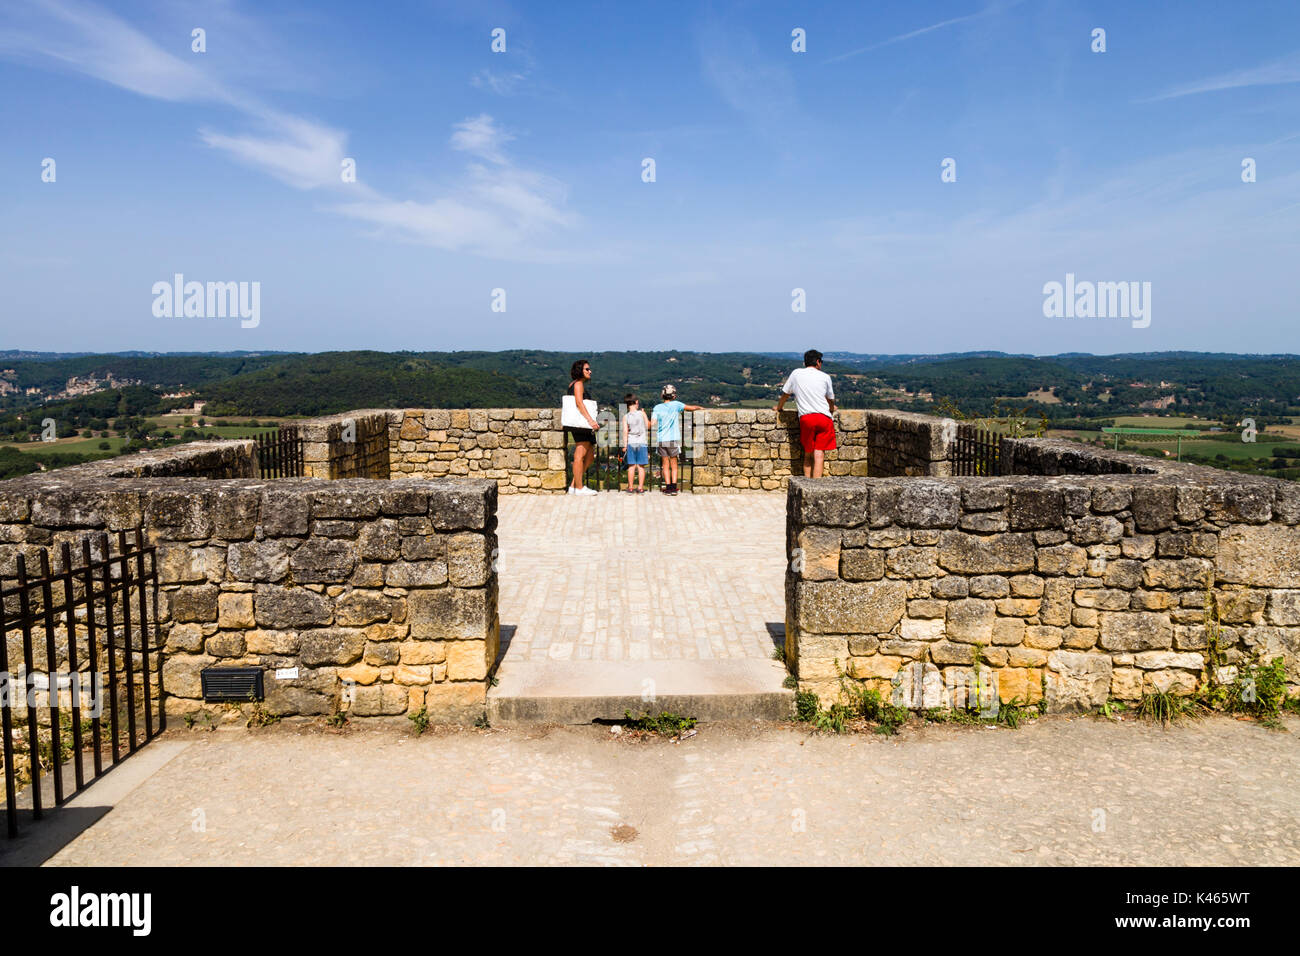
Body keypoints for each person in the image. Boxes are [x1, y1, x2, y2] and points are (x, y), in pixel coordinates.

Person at [774, 349, 837, 478]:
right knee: (819, 454)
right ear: (818, 362)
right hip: (824, 418)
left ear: (805, 362)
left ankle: (807, 486)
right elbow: (830, 399)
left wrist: (779, 407)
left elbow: (786, 394)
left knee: (808, 454)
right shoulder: (825, 377)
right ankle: (817, 487)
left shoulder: (796, 374)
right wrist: (831, 408)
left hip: (807, 418)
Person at [650, 384, 702, 496]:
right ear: (674, 396)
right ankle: (673, 487)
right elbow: (691, 408)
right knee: (674, 464)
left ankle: (668, 488)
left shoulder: (657, 408)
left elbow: (652, 423)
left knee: (665, 464)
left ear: (662, 395)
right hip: (672, 439)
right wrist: (701, 408)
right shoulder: (676, 405)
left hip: (661, 440)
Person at [565, 359, 600, 495]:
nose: (590, 371)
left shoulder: (573, 384)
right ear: (580, 371)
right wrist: (590, 420)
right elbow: (579, 403)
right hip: (582, 424)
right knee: (580, 454)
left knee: (590, 455)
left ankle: (574, 485)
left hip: (583, 424)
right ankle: (579, 488)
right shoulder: (578, 384)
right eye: (587, 369)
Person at [621, 394, 649, 494]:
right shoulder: (642, 414)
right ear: (636, 402)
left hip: (631, 442)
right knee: (641, 467)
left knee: (631, 466)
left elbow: (625, 432)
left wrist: (625, 445)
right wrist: (644, 414)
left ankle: (630, 487)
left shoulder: (626, 416)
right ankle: (640, 488)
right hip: (642, 442)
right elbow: (648, 426)